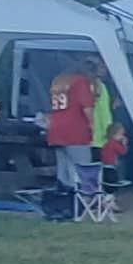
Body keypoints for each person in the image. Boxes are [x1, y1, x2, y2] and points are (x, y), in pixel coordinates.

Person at [44, 58, 105, 211]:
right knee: (83, 168)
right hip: (75, 129)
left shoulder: (58, 81)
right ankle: (85, 202)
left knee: (64, 169)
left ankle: (65, 202)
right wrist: (92, 125)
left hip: (56, 128)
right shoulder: (81, 82)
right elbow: (87, 107)